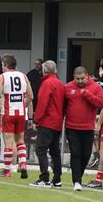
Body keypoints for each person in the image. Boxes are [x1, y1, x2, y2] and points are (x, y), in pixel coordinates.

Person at [0, 54, 33, 179]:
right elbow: (31, 96)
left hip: (8, 113)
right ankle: (23, 164)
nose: (1, 67)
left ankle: (7, 171)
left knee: (8, 143)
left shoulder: (2, 77)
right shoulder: (23, 76)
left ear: (5, 64)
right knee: (20, 141)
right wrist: (23, 106)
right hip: (21, 113)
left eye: (2, 64)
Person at [64, 66, 103, 191]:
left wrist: (88, 95)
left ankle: (78, 176)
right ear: (74, 78)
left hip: (88, 127)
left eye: (83, 78)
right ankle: (77, 181)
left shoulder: (96, 87)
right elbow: (62, 105)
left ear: (87, 76)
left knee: (85, 155)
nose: (80, 81)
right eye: (78, 79)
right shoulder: (67, 87)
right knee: (75, 153)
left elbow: (102, 103)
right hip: (71, 126)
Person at [29, 60, 64, 188]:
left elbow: (42, 103)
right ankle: (57, 179)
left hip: (47, 121)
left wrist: (36, 120)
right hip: (57, 121)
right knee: (55, 151)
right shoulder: (60, 83)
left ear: (44, 70)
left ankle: (44, 178)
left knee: (41, 149)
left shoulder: (47, 83)